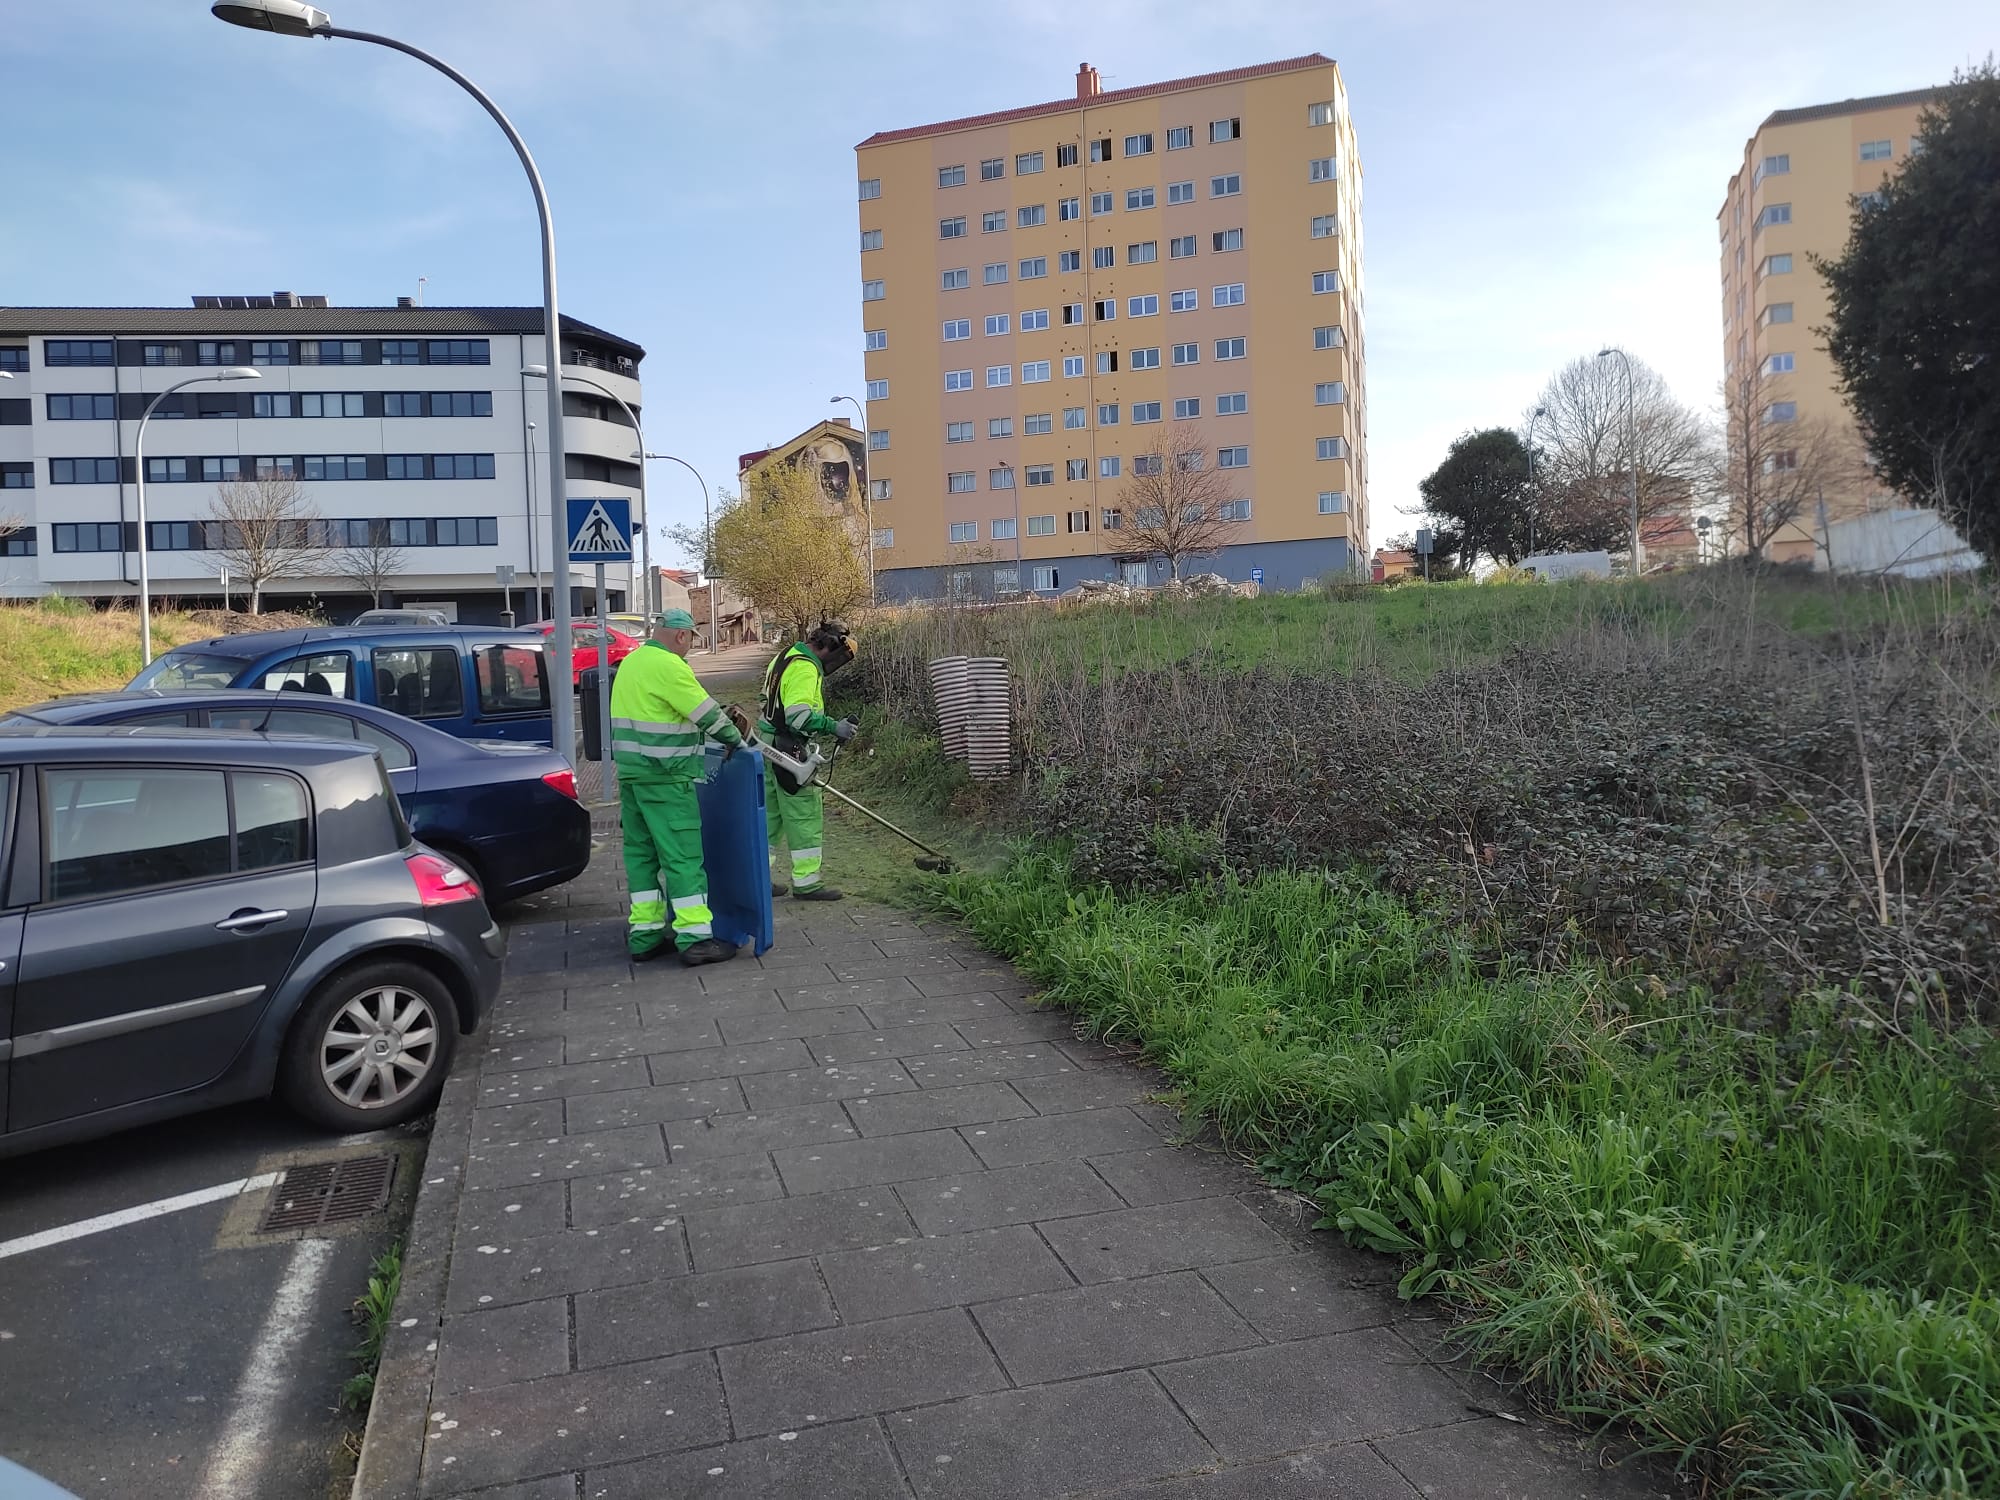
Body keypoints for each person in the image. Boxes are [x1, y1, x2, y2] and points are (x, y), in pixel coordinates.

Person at [609, 608, 744, 965]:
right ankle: (695, 936)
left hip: (632, 778)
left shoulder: (632, 663)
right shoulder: (669, 667)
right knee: (682, 856)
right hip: (666, 778)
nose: (687, 650)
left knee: (642, 857)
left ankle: (646, 934)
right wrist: (737, 740)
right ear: (682, 636)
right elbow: (707, 714)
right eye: (690, 643)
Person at [759, 619, 858, 900]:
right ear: (830, 646)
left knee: (769, 816)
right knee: (804, 815)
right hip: (789, 749)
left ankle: (758, 878)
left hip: (767, 744)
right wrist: (833, 726)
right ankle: (807, 882)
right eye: (840, 657)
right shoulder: (805, 668)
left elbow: (764, 700)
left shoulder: (785, 657)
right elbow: (798, 717)